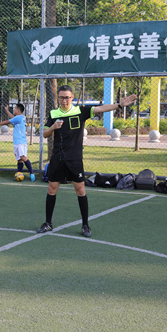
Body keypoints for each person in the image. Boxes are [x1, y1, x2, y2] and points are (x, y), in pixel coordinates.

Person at [36, 85, 136, 237]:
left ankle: (85, 225)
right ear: (58, 98)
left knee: (80, 190)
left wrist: (119, 105)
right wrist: (53, 127)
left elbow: (101, 109)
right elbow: (45, 134)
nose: (64, 100)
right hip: (57, 158)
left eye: (67, 97)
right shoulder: (53, 114)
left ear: (72, 98)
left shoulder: (80, 111)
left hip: (74, 159)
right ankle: (48, 223)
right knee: (51, 189)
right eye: (61, 97)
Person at [0, 103, 35, 182]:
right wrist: (7, 111)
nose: (14, 110)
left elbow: (8, 121)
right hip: (17, 142)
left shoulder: (19, 118)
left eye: (15, 108)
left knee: (23, 157)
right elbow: (13, 118)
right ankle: (19, 174)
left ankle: (32, 173)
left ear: (18, 110)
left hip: (21, 142)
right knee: (19, 159)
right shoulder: (20, 117)